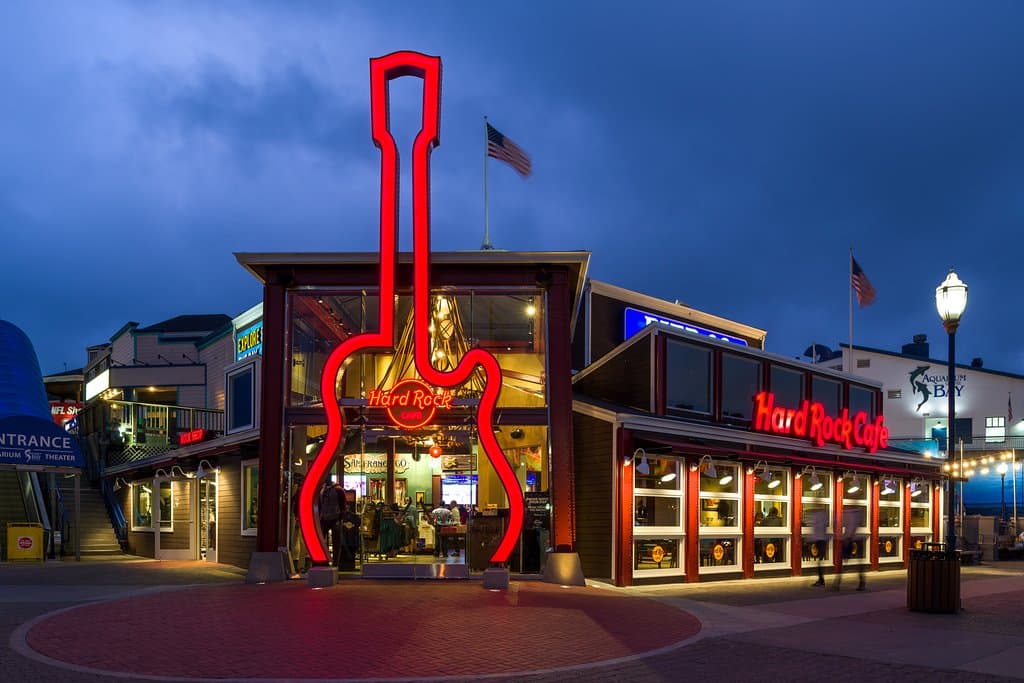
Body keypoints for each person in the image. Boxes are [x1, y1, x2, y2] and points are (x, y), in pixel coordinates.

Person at [832, 504, 866, 591]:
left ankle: (837, 583)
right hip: (857, 539)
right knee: (858, 562)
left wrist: (843, 537)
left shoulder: (849, 513)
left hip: (850, 539)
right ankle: (862, 582)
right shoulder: (859, 512)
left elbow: (845, 525)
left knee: (844, 561)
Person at [809, 507, 828, 587]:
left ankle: (821, 581)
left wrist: (811, 538)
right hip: (821, 540)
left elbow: (817, 529)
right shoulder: (823, 515)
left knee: (819, 561)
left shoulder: (819, 515)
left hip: (820, 540)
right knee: (819, 561)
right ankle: (821, 580)